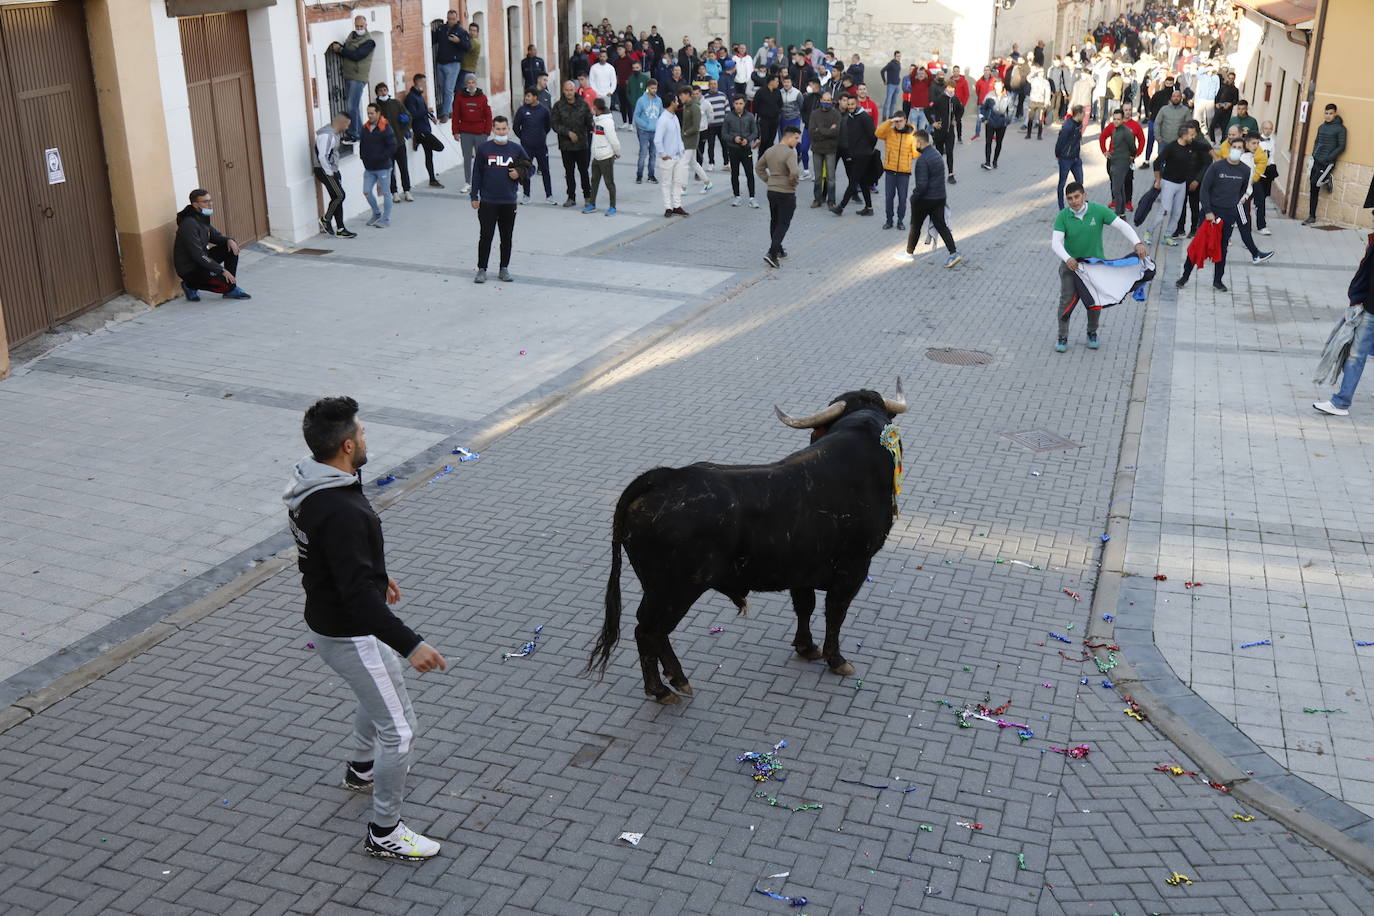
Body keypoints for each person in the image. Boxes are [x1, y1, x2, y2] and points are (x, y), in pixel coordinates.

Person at [284, 396, 447, 861]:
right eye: (364, 433)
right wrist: (411, 643)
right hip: (351, 631)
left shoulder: (311, 484)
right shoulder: (342, 509)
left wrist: (375, 573)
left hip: (329, 621)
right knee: (402, 731)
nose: (367, 438)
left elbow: (332, 559)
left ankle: (360, 769)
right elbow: (356, 596)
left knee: (376, 692)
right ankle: (385, 832)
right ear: (349, 446)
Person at [1051, 181, 1148, 352]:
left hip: (1095, 268)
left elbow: (1122, 225)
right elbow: (1056, 243)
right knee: (1065, 301)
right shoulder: (1063, 216)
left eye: (1077, 197)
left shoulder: (1098, 210)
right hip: (1071, 268)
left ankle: (1092, 332)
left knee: (1095, 302)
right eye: (1070, 199)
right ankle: (1062, 336)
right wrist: (1067, 259)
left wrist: (1137, 243)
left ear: (1084, 195)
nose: (1074, 201)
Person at [1175, 143, 1274, 293]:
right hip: (1209, 213)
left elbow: (1242, 191)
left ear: (1243, 150)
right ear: (1230, 148)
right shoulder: (1217, 167)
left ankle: (1218, 281)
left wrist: (1232, 207)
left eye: (1240, 147)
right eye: (1234, 146)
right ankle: (1185, 276)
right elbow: (1204, 190)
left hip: (1228, 215)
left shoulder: (1245, 170)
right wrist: (1208, 211)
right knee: (1198, 245)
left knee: (1222, 248)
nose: (1237, 149)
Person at [1314, 228, 1374, 416]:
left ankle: (1341, 402)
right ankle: (1341, 401)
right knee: (1356, 355)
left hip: (1371, 309)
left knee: (1356, 355)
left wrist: (1360, 299)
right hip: (1369, 305)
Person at [470, 115, 527, 283]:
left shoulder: (516, 149)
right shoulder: (484, 149)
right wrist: (474, 196)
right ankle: (482, 269)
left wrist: (519, 173)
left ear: (508, 130)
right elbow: (477, 174)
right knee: (486, 236)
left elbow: (530, 167)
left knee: (506, 237)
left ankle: (504, 268)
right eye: (498, 129)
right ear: (493, 130)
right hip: (488, 201)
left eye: (504, 129)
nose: (501, 132)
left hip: (508, 201)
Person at [899, 129, 960, 268]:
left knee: (915, 226)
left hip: (925, 200)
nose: (913, 145)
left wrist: (914, 198)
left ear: (919, 142)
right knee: (941, 225)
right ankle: (953, 252)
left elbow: (922, 185)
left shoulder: (922, 160)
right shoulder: (936, 154)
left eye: (914, 142)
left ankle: (909, 253)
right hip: (939, 197)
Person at [174, 189, 250, 300]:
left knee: (230, 248)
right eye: (205, 202)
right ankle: (189, 285)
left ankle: (231, 288)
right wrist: (221, 270)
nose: (210, 204)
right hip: (190, 269)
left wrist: (229, 240)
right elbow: (198, 255)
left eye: (210, 200)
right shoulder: (189, 224)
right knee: (223, 285)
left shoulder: (200, 217)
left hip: (201, 261)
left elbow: (215, 236)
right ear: (195, 204)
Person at [756, 125, 801, 268]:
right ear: (789, 136)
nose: (797, 142)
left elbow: (758, 167)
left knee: (774, 221)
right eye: (796, 138)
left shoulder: (770, 150)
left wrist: (769, 180)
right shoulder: (790, 153)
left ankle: (779, 249)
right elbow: (794, 172)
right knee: (783, 223)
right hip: (786, 192)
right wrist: (793, 183)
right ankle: (772, 253)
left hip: (772, 191)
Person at [1144, 124, 1195, 247]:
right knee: (1164, 210)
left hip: (1181, 184)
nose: (1193, 137)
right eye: (1191, 134)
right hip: (1168, 183)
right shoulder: (1171, 147)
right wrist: (1157, 180)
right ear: (1184, 135)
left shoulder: (1190, 147)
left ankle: (1168, 235)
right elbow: (1157, 163)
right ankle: (1149, 232)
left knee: (1177, 212)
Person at [311, 114, 357, 239]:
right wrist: (330, 172)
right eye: (347, 124)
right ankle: (326, 219)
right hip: (324, 170)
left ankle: (341, 229)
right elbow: (322, 156)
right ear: (342, 123)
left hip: (331, 170)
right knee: (340, 195)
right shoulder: (326, 135)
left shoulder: (333, 134)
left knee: (336, 198)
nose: (347, 128)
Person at [552, 79, 594, 207]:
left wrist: (583, 134)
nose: (569, 93)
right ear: (563, 91)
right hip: (566, 146)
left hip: (582, 145)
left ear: (574, 90)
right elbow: (555, 124)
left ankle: (588, 196)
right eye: (566, 90)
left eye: (571, 90)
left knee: (584, 172)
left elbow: (589, 123)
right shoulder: (558, 106)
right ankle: (571, 197)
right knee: (569, 173)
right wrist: (568, 133)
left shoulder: (583, 104)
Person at [832, 94, 876, 216]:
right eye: (849, 105)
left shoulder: (864, 117)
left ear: (857, 104)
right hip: (855, 153)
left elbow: (873, 136)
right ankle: (869, 207)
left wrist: (868, 149)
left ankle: (841, 207)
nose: (850, 107)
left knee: (853, 181)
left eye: (852, 104)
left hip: (863, 154)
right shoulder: (851, 117)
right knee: (862, 181)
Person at [1305, 103, 1346, 226]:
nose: (1328, 116)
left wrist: (1329, 157)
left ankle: (1328, 179)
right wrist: (1314, 154)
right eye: (1326, 113)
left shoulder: (1341, 129)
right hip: (1317, 160)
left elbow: (1342, 146)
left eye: (1331, 113)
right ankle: (1311, 216)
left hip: (1328, 162)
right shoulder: (1321, 127)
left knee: (1315, 182)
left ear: (1335, 114)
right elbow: (1317, 141)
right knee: (1313, 188)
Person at [875, 113, 917, 230]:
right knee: (889, 198)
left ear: (905, 121)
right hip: (890, 171)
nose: (898, 123)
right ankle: (889, 220)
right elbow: (877, 133)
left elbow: (915, 153)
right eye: (896, 121)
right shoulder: (889, 132)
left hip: (904, 173)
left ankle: (900, 220)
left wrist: (912, 154)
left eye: (900, 121)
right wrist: (890, 121)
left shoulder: (912, 135)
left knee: (902, 198)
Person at [336, 17, 375, 142]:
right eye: (357, 26)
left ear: (366, 25)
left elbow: (356, 55)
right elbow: (348, 52)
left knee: (351, 106)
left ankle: (354, 132)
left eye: (361, 26)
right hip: (349, 75)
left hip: (358, 77)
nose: (359, 29)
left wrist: (341, 49)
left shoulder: (369, 42)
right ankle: (358, 133)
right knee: (354, 106)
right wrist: (339, 50)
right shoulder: (351, 37)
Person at [452, 75, 492, 194]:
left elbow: (488, 115)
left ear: (476, 83)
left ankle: (483, 181)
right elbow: (456, 115)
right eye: (468, 82)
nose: (471, 85)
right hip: (465, 132)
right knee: (467, 158)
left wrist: (487, 132)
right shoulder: (459, 97)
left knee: (482, 158)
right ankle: (467, 182)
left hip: (480, 132)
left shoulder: (482, 97)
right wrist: (455, 131)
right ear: (465, 84)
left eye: (473, 82)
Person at [403, 74, 444, 189]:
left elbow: (425, 111)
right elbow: (413, 115)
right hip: (420, 130)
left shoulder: (419, 95)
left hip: (426, 128)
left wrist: (432, 117)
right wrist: (426, 111)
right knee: (440, 147)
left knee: (429, 155)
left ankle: (432, 180)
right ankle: (418, 139)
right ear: (417, 82)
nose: (425, 85)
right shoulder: (411, 97)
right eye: (423, 82)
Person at [374, 83, 413, 202]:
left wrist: (403, 132)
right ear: (377, 93)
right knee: (390, 170)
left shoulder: (396, 103)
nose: (383, 92)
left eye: (385, 90)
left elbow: (407, 117)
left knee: (403, 168)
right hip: (385, 145)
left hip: (399, 142)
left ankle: (407, 191)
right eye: (380, 91)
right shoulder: (375, 108)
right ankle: (394, 192)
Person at [513, 89, 553, 203]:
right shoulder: (522, 110)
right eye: (526, 96)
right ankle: (526, 196)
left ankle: (549, 196)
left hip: (541, 147)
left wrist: (541, 136)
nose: (526, 98)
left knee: (545, 171)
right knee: (526, 170)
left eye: (529, 96)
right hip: (526, 148)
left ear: (535, 97)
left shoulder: (544, 111)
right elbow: (516, 127)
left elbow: (547, 126)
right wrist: (524, 137)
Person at [654, 91, 690, 217]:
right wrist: (663, 154)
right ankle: (668, 207)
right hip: (667, 158)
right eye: (676, 100)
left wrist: (682, 151)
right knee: (666, 183)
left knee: (678, 181)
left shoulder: (674, 117)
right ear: (671, 103)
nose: (678, 102)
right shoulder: (663, 119)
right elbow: (657, 139)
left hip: (678, 156)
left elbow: (678, 136)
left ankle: (677, 205)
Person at [360, 103, 395, 228]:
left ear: (378, 113)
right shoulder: (365, 128)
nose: (369, 115)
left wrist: (381, 158)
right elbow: (362, 145)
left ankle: (386, 219)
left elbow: (392, 147)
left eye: (372, 113)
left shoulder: (385, 127)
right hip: (369, 168)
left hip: (383, 167)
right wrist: (364, 159)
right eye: (368, 113)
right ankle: (376, 213)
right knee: (366, 191)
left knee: (386, 193)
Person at [583, 97, 621, 215]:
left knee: (609, 183)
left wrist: (617, 152)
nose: (591, 109)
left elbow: (613, 140)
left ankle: (613, 206)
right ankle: (592, 204)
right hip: (597, 157)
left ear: (597, 108)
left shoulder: (607, 122)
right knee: (594, 181)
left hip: (606, 157)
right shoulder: (597, 119)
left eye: (593, 108)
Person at [722, 94, 760, 207]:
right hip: (733, 149)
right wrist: (734, 139)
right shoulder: (728, 117)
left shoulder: (750, 116)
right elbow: (724, 134)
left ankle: (752, 197)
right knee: (735, 173)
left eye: (741, 104)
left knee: (749, 173)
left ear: (744, 104)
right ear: (733, 104)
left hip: (746, 149)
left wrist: (747, 140)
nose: (738, 106)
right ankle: (737, 196)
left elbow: (755, 132)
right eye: (736, 104)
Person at [431, 11, 466, 122]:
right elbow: (434, 39)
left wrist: (458, 41)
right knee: (442, 88)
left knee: (448, 89)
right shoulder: (442, 29)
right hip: (441, 63)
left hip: (453, 64)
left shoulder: (461, 31)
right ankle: (450, 110)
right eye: (449, 18)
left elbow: (467, 46)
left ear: (456, 19)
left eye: (453, 19)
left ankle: (445, 114)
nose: (451, 21)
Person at [806, 91, 838, 209]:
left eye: (829, 100)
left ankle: (831, 200)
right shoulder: (814, 114)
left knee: (831, 178)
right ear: (820, 101)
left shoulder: (836, 114)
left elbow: (836, 132)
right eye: (824, 100)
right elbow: (811, 132)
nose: (826, 102)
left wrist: (820, 130)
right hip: (817, 149)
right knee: (818, 177)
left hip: (830, 149)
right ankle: (817, 199)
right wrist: (828, 131)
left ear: (832, 101)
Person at [1101, 110, 1137, 215]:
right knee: (1120, 188)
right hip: (1114, 162)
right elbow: (1103, 137)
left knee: (1116, 189)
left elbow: (1133, 147)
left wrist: (1131, 156)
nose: (1116, 121)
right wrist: (1106, 152)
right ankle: (1121, 212)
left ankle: (1119, 212)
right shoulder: (1115, 130)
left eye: (1118, 119)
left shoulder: (1126, 132)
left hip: (1122, 164)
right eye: (1114, 119)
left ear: (1122, 120)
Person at [925, 80, 961, 183]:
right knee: (939, 154)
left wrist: (956, 120)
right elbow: (927, 109)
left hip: (950, 132)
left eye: (953, 88)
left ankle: (950, 174)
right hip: (939, 132)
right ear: (946, 88)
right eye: (949, 88)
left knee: (950, 152)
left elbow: (960, 110)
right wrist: (933, 123)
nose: (951, 90)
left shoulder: (955, 99)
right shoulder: (939, 99)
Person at [632, 78, 663, 183]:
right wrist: (645, 124)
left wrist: (660, 125)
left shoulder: (658, 100)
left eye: (655, 88)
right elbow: (636, 116)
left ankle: (651, 175)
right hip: (644, 131)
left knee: (653, 154)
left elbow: (661, 114)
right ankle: (639, 175)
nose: (654, 90)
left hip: (655, 131)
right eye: (652, 88)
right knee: (643, 154)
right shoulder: (641, 101)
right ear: (648, 88)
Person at [1055, 104, 1086, 209]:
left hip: (1076, 158)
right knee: (1062, 183)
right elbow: (1060, 141)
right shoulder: (1068, 126)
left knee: (1080, 182)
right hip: (1066, 159)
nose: (1085, 115)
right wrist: (1058, 155)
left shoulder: (1079, 123)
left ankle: (1081, 205)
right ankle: (1061, 207)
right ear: (1079, 114)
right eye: (1084, 113)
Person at [979, 80, 1014, 170]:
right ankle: (987, 162)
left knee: (999, 142)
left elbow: (1011, 110)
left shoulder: (1008, 96)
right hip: (990, 122)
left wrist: (1007, 121)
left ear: (1002, 85)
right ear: (994, 86)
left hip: (1002, 124)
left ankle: (995, 161)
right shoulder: (989, 95)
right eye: (996, 86)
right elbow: (983, 107)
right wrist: (984, 119)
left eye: (999, 85)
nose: (998, 87)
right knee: (988, 142)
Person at [700, 79, 728, 168]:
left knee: (724, 145)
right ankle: (711, 163)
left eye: (715, 84)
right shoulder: (706, 98)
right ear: (708, 86)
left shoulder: (723, 96)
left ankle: (726, 163)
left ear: (717, 85)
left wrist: (727, 124)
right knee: (711, 145)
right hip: (711, 125)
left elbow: (727, 110)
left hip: (722, 125)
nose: (713, 85)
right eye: (711, 84)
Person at [753, 73, 783, 151]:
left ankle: (770, 159)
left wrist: (776, 112)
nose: (778, 83)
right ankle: (761, 157)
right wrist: (761, 112)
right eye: (776, 81)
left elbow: (780, 104)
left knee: (771, 140)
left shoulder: (778, 92)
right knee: (764, 139)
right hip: (764, 120)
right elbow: (755, 105)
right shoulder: (761, 92)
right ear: (771, 82)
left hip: (774, 120)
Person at [1025, 68, 1050, 139]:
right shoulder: (1034, 80)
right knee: (1030, 118)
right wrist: (1034, 71)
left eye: (1042, 72)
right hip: (1033, 101)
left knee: (1040, 119)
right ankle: (1028, 134)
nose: (1041, 73)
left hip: (1041, 102)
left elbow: (1048, 92)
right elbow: (1028, 77)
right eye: (1040, 72)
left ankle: (1039, 135)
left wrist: (1046, 102)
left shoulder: (1045, 82)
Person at [459, 21, 482, 93]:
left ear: (477, 33)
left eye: (474, 31)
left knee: (463, 91)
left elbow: (466, 47)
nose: (472, 32)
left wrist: (458, 41)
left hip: (468, 70)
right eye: (470, 30)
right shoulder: (470, 40)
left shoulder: (475, 42)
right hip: (466, 70)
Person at [881, 51, 902, 120]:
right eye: (897, 56)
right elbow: (882, 71)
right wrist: (884, 80)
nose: (899, 57)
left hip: (897, 85)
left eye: (900, 56)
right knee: (888, 101)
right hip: (891, 85)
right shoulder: (891, 64)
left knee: (894, 102)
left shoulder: (899, 63)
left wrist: (899, 79)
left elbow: (897, 73)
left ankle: (891, 115)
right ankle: (884, 116)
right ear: (894, 56)